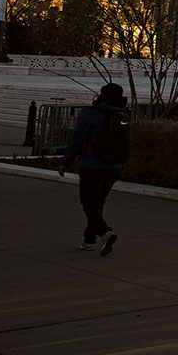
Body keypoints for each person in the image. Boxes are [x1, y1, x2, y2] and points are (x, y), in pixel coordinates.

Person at [58, 82, 130, 256]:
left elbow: (78, 138)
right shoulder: (124, 115)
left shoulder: (93, 113)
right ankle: (89, 239)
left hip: (92, 165)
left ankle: (105, 232)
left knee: (89, 203)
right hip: (114, 167)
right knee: (98, 203)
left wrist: (65, 161)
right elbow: (126, 142)